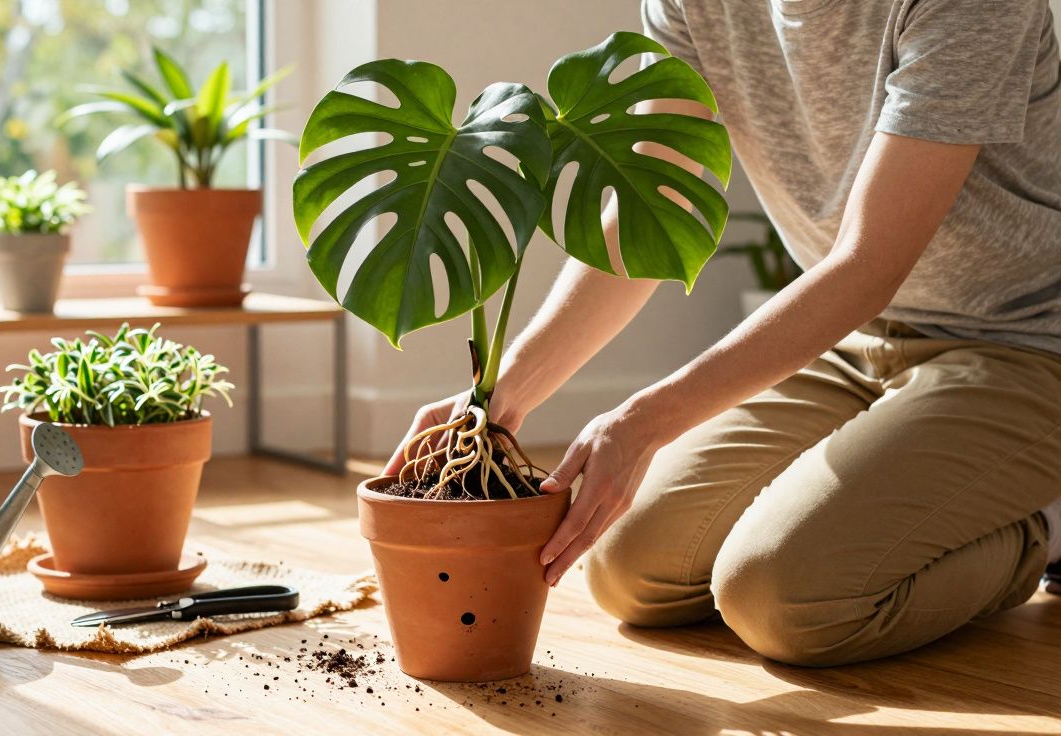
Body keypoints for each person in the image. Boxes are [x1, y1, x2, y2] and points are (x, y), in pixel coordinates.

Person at [385, 0, 1061, 667]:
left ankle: (1049, 526)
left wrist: (644, 420)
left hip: (1025, 341)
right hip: (854, 343)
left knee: (783, 597)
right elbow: (652, 212)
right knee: (629, 568)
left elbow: (868, 263)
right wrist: (500, 395)